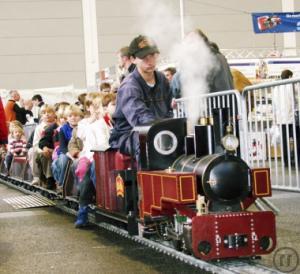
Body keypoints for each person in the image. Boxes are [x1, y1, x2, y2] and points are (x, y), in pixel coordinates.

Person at [109, 35, 173, 160]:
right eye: (144, 57)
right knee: (147, 145)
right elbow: (140, 119)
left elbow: (170, 108)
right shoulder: (129, 86)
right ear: (133, 59)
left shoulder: (161, 79)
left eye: (153, 55)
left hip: (159, 129)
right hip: (129, 134)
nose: (150, 61)